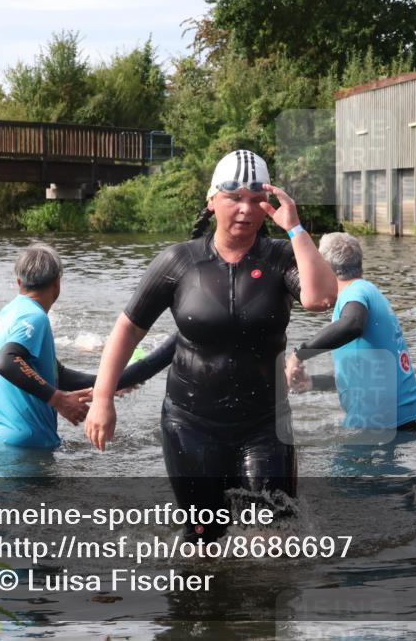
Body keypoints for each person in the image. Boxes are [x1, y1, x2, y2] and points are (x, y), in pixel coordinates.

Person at [84, 149, 338, 542]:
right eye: (234, 197)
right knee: (203, 535)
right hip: (191, 424)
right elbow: (127, 330)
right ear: (212, 200)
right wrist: (103, 398)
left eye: (257, 199)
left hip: (265, 424)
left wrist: (297, 230)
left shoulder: (281, 257)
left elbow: (321, 299)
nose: (246, 209)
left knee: (277, 538)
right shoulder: (179, 262)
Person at [0, 243, 175, 451]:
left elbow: (55, 374)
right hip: (24, 446)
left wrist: (109, 386)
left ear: (19, 282)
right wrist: (58, 400)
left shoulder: (10, 312)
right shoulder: (34, 317)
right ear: (57, 284)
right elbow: (7, 362)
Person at [286, 232, 416, 434]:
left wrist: (299, 355)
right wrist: (313, 382)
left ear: (325, 269)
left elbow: (352, 325)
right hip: (402, 419)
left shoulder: (354, 294)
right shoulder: (369, 292)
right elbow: (360, 372)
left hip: (378, 425)